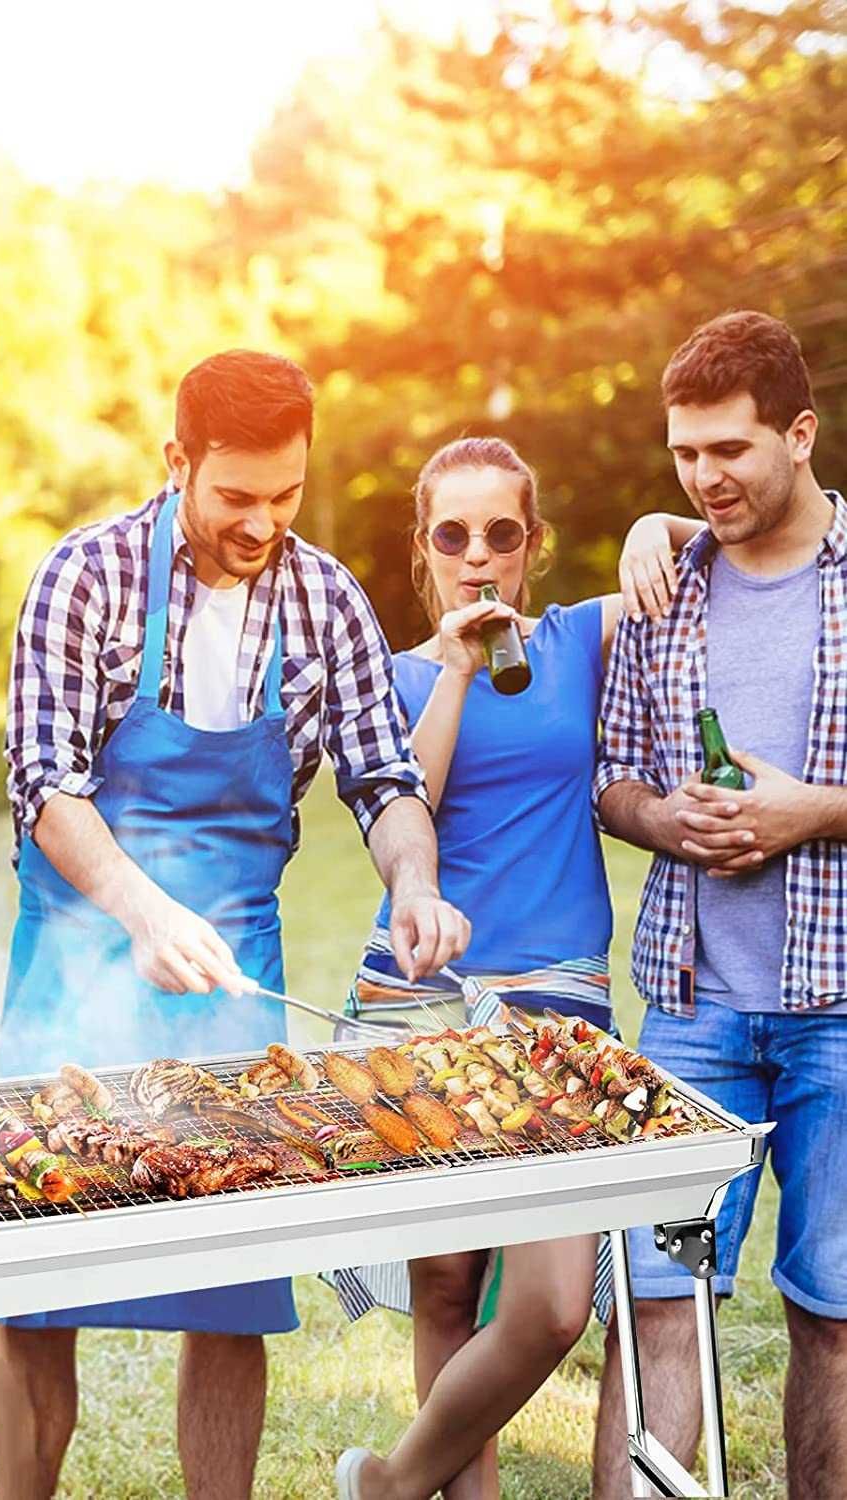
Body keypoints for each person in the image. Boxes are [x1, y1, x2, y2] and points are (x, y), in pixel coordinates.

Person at [0, 348, 469, 1499]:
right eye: (235, 497)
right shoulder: (85, 577)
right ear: (177, 463)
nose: (262, 523)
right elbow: (43, 783)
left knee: (233, 1286)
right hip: (75, 964)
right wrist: (141, 910)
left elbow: (385, 779)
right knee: (38, 1285)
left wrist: (413, 881)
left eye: (285, 496)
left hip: (235, 986)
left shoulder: (326, 599)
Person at [333, 438, 702, 1500]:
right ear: (424, 550)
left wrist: (648, 527)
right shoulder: (399, 677)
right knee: (447, 1286)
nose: (478, 556)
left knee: (550, 1301)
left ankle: (393, 1481)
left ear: (533, 544)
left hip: (559, 1007)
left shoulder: (581, 638)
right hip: (424, 1002)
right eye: (454, 535)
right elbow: (411, 801)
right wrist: (452, 667)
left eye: (502, 532)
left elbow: (711, 542)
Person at [591, 311, 847, 1497]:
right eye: (685, 456)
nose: (704, 479)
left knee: (835, 1319)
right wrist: (662, 821)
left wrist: (815, 812)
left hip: (839, 1010)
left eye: (729, 451)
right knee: (654, 1313)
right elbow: (614, 777)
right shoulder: (664, 581)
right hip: (691, 1007)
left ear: (800, 434)